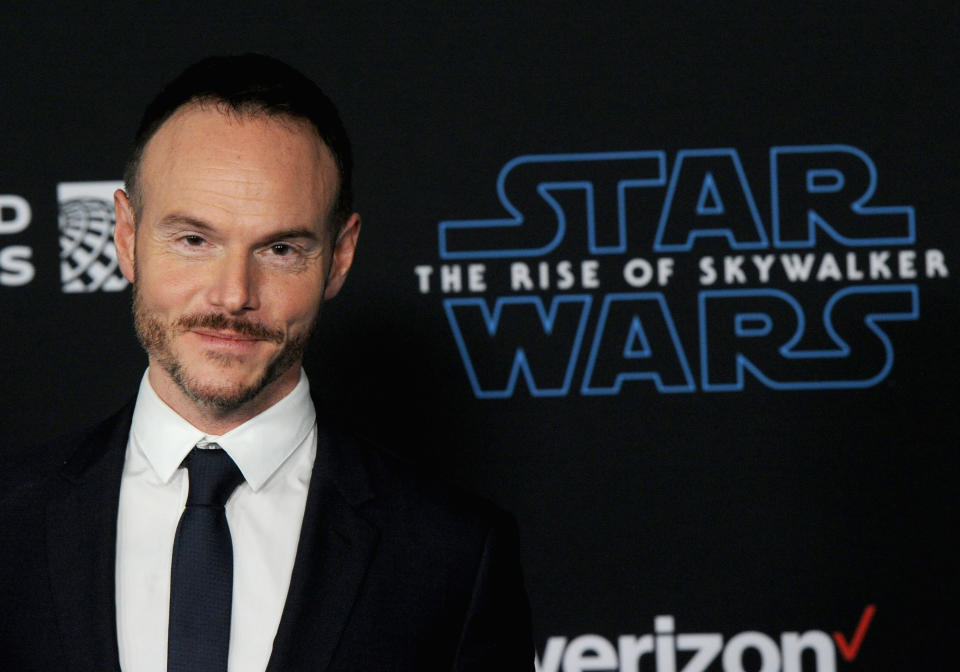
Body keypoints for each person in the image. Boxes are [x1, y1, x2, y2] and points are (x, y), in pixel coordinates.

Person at [0, 54, 533, 671]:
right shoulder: (11, 523)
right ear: (125, 235)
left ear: (339, 256)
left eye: (280, 249)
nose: (232, 295)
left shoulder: (454, 555)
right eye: (194, 240)